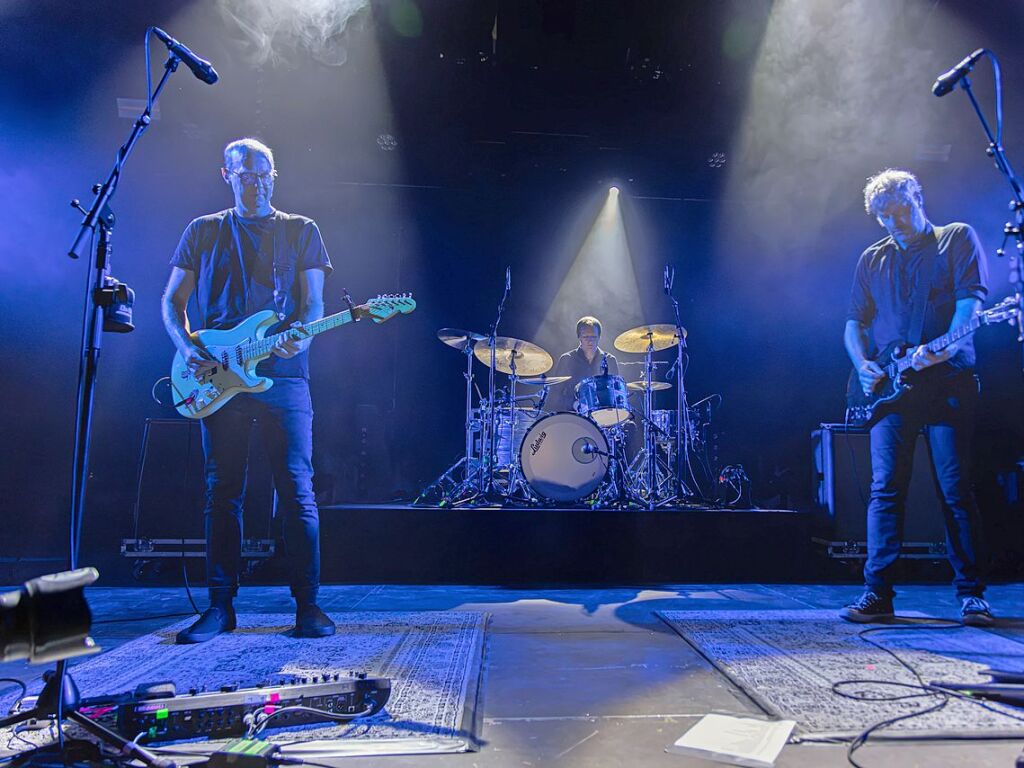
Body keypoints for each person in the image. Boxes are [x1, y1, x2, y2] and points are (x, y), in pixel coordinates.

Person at [161, 138, 336, 643]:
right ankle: (220, 606)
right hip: (217, 375)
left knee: (298, 492)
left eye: (264, 175)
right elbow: (173, 300)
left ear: (275, 176)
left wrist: (298, 335)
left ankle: (308, 605)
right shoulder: (203, 230)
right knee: (223, 493)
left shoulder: (300, 230)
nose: (256, 184)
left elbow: (315, 303)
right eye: (246, 176)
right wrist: (185, 344)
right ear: (227, 175)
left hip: (283, 376)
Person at [840, 168, 992, 626]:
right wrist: (862, 364)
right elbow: (853, 322)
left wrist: (941, 349)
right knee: (885, 490)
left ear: (917, 198)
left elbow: (972, 304)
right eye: (883, 216)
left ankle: (971, 594)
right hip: (889, 391)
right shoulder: (873, 258)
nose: (894, 222)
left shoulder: (956, 239)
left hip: (947, 384)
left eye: (901, 210)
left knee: (955, 490)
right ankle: (877, 593)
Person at [545, 316, 620, 414]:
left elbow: (617, 393)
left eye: (593, 337)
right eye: (585, 337)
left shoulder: (610, 360)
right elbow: (554, 396)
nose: (590, 341)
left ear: (599, 337)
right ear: (579, 338)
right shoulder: (567, 359)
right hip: (573, 417)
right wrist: (574, 404)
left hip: (603, 416)